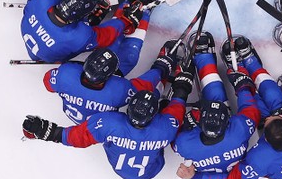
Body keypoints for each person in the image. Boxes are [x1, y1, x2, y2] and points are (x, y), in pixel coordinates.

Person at [177, 52, 282, 179]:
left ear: (265, 139)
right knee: (278, 105)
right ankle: (252, 65)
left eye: (266, 123)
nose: (270, 118)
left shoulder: (260, 158)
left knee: (264, 109)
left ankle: (250, 70)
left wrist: (195, 177)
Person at [21, 70, 195, 179]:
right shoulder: (166, 128)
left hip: (120, 165)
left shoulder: (108, 122)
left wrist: (45, 131)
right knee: (172, 117)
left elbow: (74, 137)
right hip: (153, 168)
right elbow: (177, 107)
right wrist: (182, 88)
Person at [171, 32, 261, 174]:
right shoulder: (238, 132)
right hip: (230, 141)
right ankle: (239, 66)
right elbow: (251, 110)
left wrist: (189, 121)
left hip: (219, 146)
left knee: (213, 98)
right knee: (218, 98)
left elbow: (169, 132)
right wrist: (242, 85)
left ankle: (203, 58)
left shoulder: (185, 144)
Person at [42, 36, 183, 125]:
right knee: (146, 92)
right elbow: (143, 86)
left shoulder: (66, 74)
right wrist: (161, 68)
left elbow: (47, 82)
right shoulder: (118, 90)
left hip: (89, 123)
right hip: (102, 124)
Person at [19, 0, 157, 63]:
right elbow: (105, 36)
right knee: (93, 32)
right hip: (57, 49)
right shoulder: (78, 36)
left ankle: (94, 5)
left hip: (42, 38)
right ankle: (120, 8)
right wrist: (126, 20)